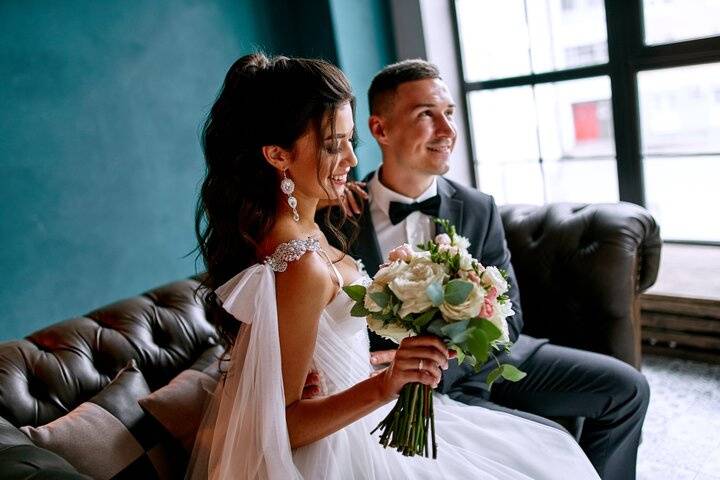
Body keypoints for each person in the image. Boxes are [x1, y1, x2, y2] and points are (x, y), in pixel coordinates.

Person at [187, 52, 599, 479]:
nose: (350, 158)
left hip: (361, 415)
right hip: (345, 446)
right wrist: (386, 384)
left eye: (350, 141)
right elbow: (282, 426)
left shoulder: (298, 235)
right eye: (333, 145)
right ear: (277, 155)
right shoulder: (301, 264)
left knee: (541, 453)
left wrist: (370, 368)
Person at [325, 59, 650, 479]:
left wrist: (446, 365)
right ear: (380, 129)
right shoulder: (339, 215)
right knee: (548, 449)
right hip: (393, 381)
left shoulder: (478, 207)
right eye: (427, 114)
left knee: (626, 389)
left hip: (490, 362)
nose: (447, 131)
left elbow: (508, 313)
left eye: (449, 114)